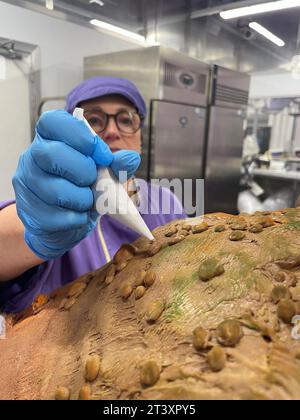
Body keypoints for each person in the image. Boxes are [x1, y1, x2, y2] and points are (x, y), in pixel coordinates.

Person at [0, 77, 187, 313]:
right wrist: (33, 228)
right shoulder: (52, 204)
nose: (111, 131)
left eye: (125, 119)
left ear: (141, 137)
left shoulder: (166, 200)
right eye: (94, 120)